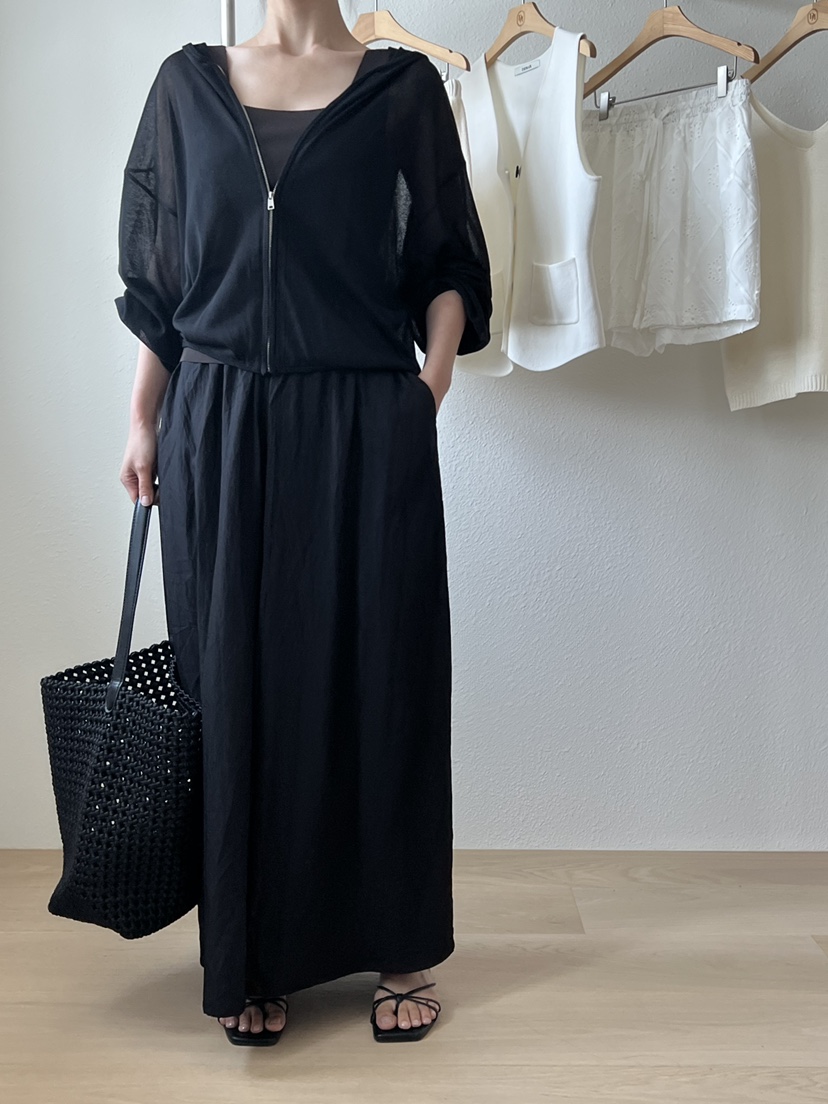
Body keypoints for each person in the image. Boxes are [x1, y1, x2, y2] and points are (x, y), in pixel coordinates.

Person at [116, 0, 491, 1045]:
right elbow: (160, 284)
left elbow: (450, 263)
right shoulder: (186, 87)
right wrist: (142, 419)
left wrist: (428, 389)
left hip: (364, 420)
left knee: (381, 673)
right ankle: (253, 953)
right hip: (217, 421)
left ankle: (400, 945)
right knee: (234, 685)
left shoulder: (402, 90)